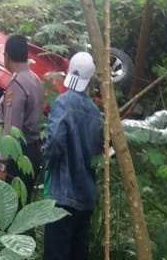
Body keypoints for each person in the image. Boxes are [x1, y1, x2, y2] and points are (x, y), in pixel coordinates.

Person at [43, 52, 103, 260]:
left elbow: (55, 143)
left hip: (61, 197)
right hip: (86, 197)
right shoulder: (96, 113)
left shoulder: (63, 103)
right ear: (90, 80)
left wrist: (47, 162)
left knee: (56, 254)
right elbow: (99, 154)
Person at [0, 35, 44, 204]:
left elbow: (11, 130)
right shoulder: (36, 80)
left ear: (6, 56)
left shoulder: (17, 84)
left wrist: (2, 166)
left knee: (9, 209)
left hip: (18, 156)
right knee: (24, 207)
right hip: (34, 151)